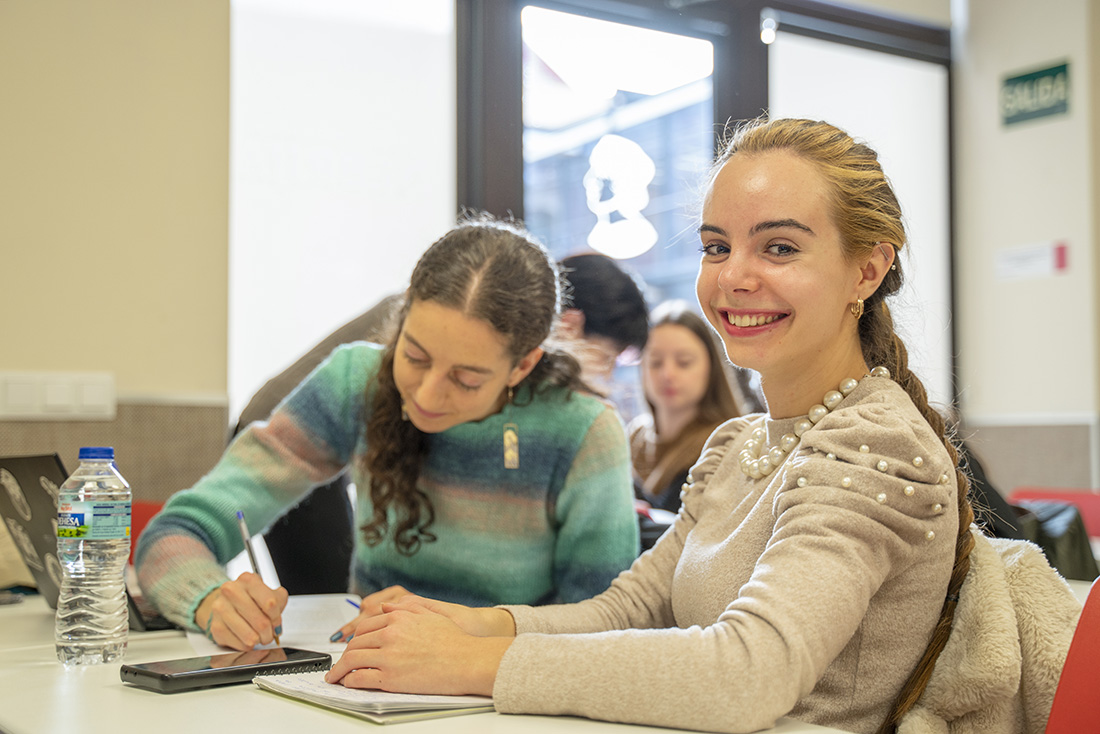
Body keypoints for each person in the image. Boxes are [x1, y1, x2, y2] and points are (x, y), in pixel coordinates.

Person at [322, 119, 1077, 733]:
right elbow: (627, 611)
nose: (734, 275)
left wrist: (468, 664)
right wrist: (467, 626)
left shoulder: (875, 443)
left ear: (867, 270)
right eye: (718, 246)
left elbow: (750, 671)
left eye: (778, 247)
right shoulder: (741, 445)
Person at [134, 215, 640, 650]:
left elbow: (603, 621)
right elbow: (177, 532)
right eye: (414, 356)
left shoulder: (583, 432)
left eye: (466, 379)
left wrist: (468, 631)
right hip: (365, 680)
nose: (425, 394)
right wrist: (208, 598)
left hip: (508, 696)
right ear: (401, 317)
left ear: (521, 366)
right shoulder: (357, 380)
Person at [234, 255, 647, 596]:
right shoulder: (463, 324)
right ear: (570, 326)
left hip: (281, 424)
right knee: (342, 611)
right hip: (288, 434)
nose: (605, 377)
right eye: (608, 358)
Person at [629, 300, 741, 515]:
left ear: (712, 367)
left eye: (684, 362)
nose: (667, 374)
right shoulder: (633, 437)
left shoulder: (727, 443)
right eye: (655, 362)